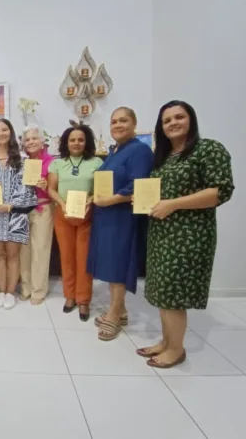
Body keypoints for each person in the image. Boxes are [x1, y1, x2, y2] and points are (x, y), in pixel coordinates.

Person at [139, 100, 234, 368]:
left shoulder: (208, 150)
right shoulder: (165, 158)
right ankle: (167, 341)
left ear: (191, 119)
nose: (173, 123)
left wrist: (173, 203)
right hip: (161, 234)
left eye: (179, 117)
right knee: (162, 292)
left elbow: (219, 192)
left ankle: (176, 349)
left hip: (188, 236)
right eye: (167, 120)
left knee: (173, 293)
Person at [87, 107, 153, 341]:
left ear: (134, 123)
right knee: (110, 265)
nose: (117, 125)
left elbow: (139, 185)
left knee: (118, 267)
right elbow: (105, 183)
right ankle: (121, 310)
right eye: (114, 121)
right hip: (107, 216)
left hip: (123, 217)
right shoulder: (115, 152)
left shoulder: (140, 151)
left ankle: (114, 315)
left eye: (123, 120)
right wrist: (94, 198)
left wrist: (110, 200)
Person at [48, 124, 103, 321]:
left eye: (80, 139)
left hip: (86, 216)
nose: (76, 143)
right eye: (72, 140)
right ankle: (70, 296)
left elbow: (102, 189)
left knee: (84, 259)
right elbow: (51, 189)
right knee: (67, 258)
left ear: (86, 141)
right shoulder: (57, 163)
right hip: (63, 215)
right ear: (66, 142)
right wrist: (62, 204)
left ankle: (84, 300)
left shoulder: (96, 162)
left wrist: (90, 199)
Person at [0, 119, 37, 310]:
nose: (1, 133)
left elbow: (29, 191)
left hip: (15, 215)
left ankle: (11, 293)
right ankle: (1, 292)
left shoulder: (24, 159)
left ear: (10, 132)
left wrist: (10, 206)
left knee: (13, 256)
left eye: (4, 129)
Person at [19, 124, 54, 305]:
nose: (31, 142)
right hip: (23, 211)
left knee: (40, 250)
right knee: (24, 251)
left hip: (43, 209)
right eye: (27, 139)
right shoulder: (21, 162)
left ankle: (38, 291)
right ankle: (25, 288)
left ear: (42, 141)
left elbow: (57, 191)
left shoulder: (51, 162)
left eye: (34, 138)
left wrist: (45, 186)